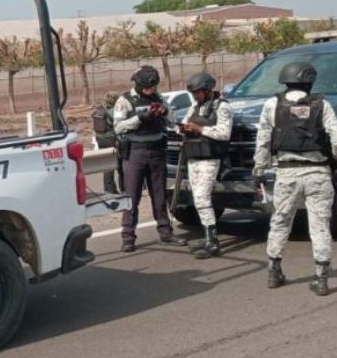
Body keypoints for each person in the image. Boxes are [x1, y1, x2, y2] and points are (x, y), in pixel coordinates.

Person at [252, 61, 337, 295]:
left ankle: (274, 272)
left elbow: (263, 141)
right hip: (317, 173)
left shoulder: (272, 105)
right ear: (309, 81)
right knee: (320, 225)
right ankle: (322, 278)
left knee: (281, 221)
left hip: (286, 173)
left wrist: (259, 170)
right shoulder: (322, 105)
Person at [113, 65, 187, 253]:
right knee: (132, 196)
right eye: (147, 88)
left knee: (159, 194)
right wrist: (140, 118)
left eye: (152, 88)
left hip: (157, 151)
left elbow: (172, 121)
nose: (150, 91)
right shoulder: (125, 101)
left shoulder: (159, 98)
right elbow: (118, 127)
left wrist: (163, 112)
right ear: (137, 85)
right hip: (134, 153)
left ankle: (165, 233)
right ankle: (128, 237)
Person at [179, 72, 233, 260]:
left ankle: (213, 242)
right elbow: (185, 123)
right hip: (193, 157)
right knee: (198, 200)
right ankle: (208, 236)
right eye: (193, 93)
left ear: (208, 90)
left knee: (202, 198)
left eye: (198, 92)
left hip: (211, 158)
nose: (196, 96)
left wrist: (200, 129)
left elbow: (224, 133)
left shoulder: (222, 107)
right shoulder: (195, 106)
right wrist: (183, 128)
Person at [92, 91, 120, 193]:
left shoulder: (98, 110)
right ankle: (121, 188)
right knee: (119, 164)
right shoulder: (114, 111)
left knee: (107, 165)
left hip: (100, 140)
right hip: (111, 140)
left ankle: (108, 189)